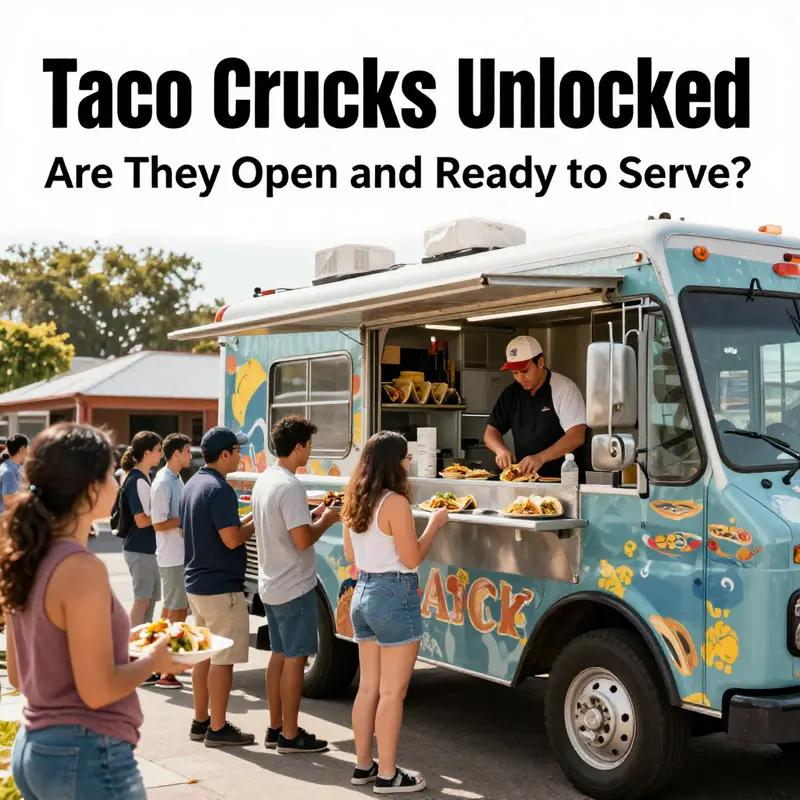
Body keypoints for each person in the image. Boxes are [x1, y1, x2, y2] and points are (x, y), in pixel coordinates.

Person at [1, 423, 188, 800]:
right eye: (109, 473)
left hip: (36, 749)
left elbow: (23, 676)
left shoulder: (27, 555)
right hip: (85, 754)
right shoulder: (80, 567)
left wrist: (126, 643)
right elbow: (98, 689)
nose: (117, 481)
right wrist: (155, 658)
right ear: (89, 489)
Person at [341, 431, 450, 794]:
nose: (409, 464)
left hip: (363, 593)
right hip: (394, 594)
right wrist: (434, 525)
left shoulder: (355, 497)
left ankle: (363, 767)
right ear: (395, 462)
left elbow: (351, 557)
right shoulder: (395, 503)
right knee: (392, 693)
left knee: (368, 688)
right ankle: (388, 775)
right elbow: (412, 558)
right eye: (406, 458)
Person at [252, 416, 340, 754]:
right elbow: (302, 540)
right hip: (295, 585)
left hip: (271, 583)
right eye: (309, 445)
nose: (311, 451)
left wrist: (314, 513)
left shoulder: (267, 480)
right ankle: (290, 734)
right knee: (295, 660)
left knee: (279, 656)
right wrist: (326, 520)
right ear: (299, 446)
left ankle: (276, 727)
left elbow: (285, 524)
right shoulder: (290, 486)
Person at [181, 425, 256, 747]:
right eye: (238, 450)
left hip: (196, 584)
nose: (240, 455)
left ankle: (200, 721)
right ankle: (219, 727)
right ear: (225, 454)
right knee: (222, 662)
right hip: (221, 588)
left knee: (203, 657)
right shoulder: (221, 489)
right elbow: (232, 538)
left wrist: (246, 519)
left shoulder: (193, 483)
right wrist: (257, 521)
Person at [484, 335, 587, 479]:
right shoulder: (511, 393)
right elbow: (490, 432)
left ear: (540, 362)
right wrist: (500, 450)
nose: (520, 378)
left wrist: (540, 458)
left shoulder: (563, 388)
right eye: (515, 373)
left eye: (524, 371)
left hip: (563, 481)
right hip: (526, 482)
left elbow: (576, 436)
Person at [150, 432, 193, 690]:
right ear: (175, 454)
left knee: (171, 612)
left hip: (179, 555)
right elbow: (157, 523)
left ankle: (157, 662)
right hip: (172, 557)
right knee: (177, 612)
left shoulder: (177, 479)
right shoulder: (163, 482)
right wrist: (186, 519)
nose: (190, 455)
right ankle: (167, 672)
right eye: (187, 451)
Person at [120, 432, 164, 638]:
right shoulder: (137, 480)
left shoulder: (145, 477)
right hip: (140, 549)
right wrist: (166, 518)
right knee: (142, 601)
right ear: (147, 452)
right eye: (158, 450)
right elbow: (141, 520)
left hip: (147, 549)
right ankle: (128, 649)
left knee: (150, 601)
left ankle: (142, 648)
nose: (161, 454)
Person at [0, 433, 29, 513]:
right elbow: (9, 500)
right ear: (22, 449)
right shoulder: (10, 471)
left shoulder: (6, 466)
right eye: (27, 448)